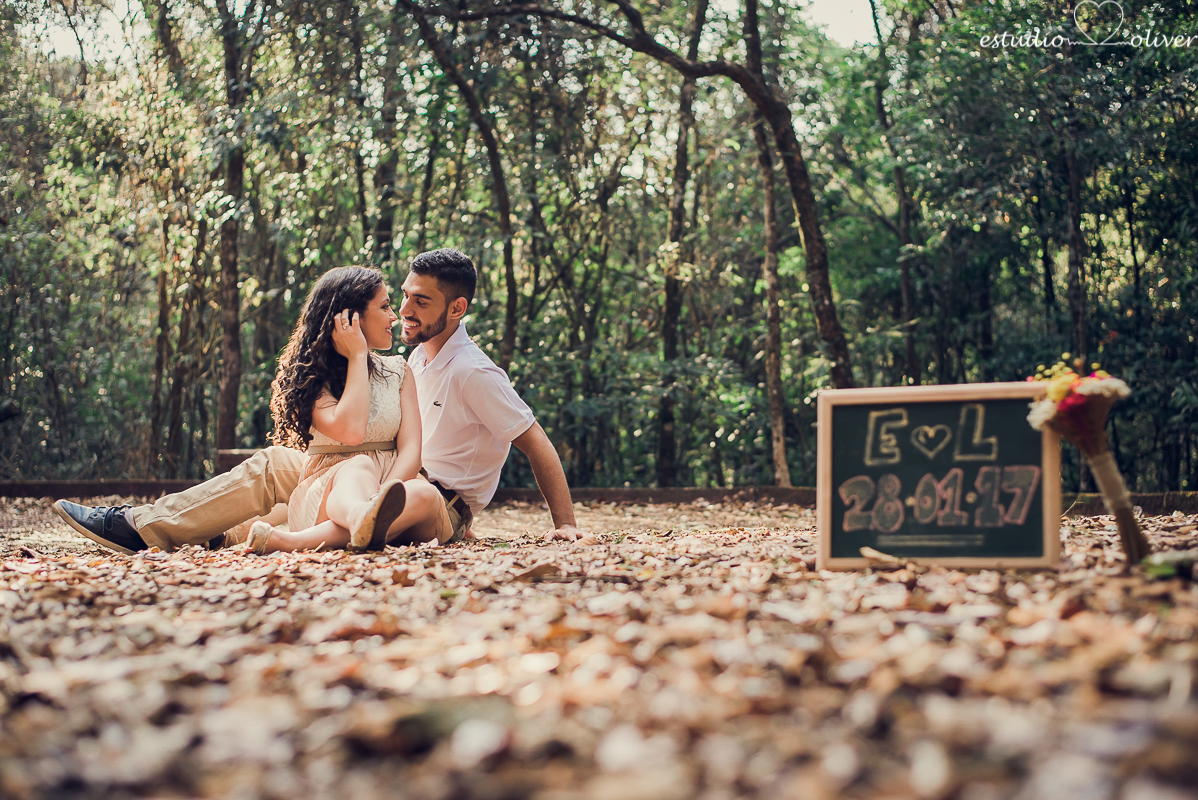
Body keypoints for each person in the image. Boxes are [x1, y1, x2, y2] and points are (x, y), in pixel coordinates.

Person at [53, 248, 585, 552]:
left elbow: (535, 442)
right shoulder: (413, 358)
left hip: (430, 497)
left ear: (457, 309)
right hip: (368, 474)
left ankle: (236, 533)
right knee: (276, 467)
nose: (404, 310)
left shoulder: (474, 372)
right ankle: (139, 526)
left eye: (420, 302)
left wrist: (564, 526)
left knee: (329, 495)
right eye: (401, 297)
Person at [244, 266, 452, 553]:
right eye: (384, 306)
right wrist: (356, 355)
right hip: (328, 494)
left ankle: (363, 520)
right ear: (351, 317)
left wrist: (380, 500)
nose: (394, 316)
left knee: (425, 494)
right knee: (359, 464)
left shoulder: (399, 371)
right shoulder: (311, 377)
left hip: (396, 488)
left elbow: (411, 451)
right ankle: (358, 519)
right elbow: (351, 431)